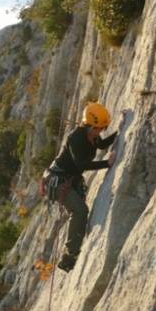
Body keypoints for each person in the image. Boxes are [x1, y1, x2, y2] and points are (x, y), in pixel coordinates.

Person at [45, 102, 118, 272]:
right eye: (99, 128)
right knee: (80, 211)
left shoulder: (91, 134)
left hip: (69, 179)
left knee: (80, 212)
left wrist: (119, 131)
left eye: (103, 128)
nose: (100, 131)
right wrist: (107, 163)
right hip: (57, 181)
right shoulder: (76, 138)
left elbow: (100, 145)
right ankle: (70, 257)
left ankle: (71, 253)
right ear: (90, 124)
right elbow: (81, 165)